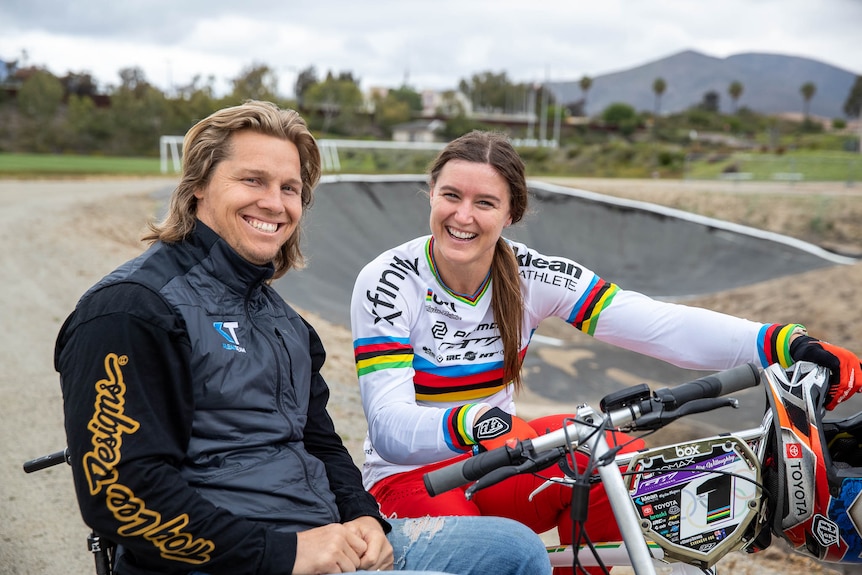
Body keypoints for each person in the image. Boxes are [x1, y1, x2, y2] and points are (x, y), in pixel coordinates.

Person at [55, 103, 552, 575]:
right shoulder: (131, 310)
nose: (274, 203)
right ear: (198, 186)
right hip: (238, 559)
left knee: (515, 549)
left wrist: (362, 515)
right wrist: (284, 552)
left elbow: (319, 443)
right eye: (253, 180)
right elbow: (121, 498)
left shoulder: (282, 320)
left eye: (290, 188)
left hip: (320, 537)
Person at [349, 130, 862, 572]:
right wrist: (476, 423)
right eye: (450, 195)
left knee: (630, 472)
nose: (463, 215)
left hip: (498, 460)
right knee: (504, 555)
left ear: (511, 213)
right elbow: (390, 429)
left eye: (485, 203)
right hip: (411, 479)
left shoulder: (531, 273)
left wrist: (780, 342)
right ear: (429, 195)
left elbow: (659, 325)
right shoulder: (390, 281)